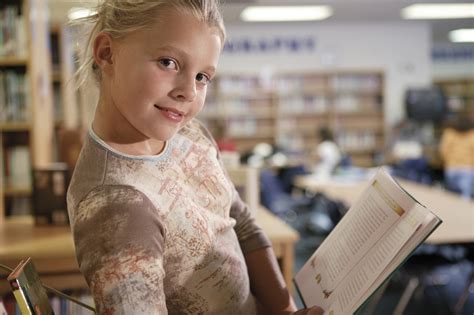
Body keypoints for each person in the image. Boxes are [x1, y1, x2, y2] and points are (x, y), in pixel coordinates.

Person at [67, 1, 323, 314]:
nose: (188, 91)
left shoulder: (188, 133)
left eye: (202, 76)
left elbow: (239, 222)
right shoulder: (114, 203)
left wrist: (283, 308)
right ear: (107, 53)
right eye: (168, 62)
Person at [439, 115, 474, 200]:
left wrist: (448, 161)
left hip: (451, 168)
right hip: (468, 169)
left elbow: (443, 151)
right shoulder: (472, 135)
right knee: (465, 197)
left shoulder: (449, 133)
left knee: (451, 196)